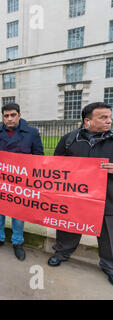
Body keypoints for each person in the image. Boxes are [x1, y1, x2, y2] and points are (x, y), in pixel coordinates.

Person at [48, 102, 113, 286]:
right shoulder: (69, 139)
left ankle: (109, 266)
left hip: (107, 198)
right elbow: (54, 165)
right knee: (68, 227)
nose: (109, 121)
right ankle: (61, 253)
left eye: (109, 117)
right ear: (88, 121)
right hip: (74, 198)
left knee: (109, 234)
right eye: (103, 117)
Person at [0, 103, 44, 261]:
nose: (9, 118)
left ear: (19, 115)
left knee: (18, 214)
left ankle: (17, 242)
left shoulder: (31, 133)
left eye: (13, 115)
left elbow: (39, 157)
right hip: (0, 181)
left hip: (21, 182)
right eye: (6, 116)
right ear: (2, 117)